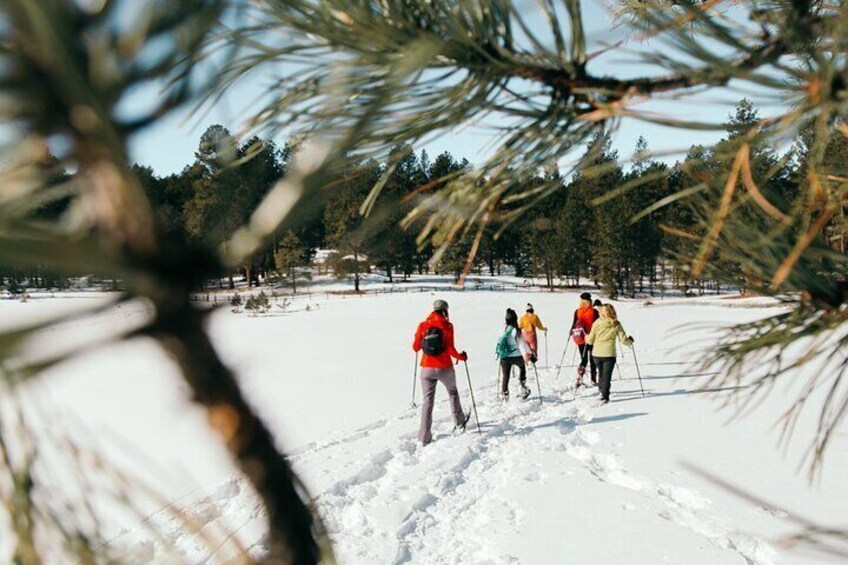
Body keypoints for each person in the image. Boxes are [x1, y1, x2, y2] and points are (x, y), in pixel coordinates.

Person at [412, 299, 470, 445]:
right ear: (445, 310)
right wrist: (461, 357)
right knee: (452, 392)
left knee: (427, 401)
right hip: (444, 367)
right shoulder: (448, 326)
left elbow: (415, 347)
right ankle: (459, 421)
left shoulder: (423, 325)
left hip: (426, 369)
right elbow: (450, 348)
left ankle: (424, 437)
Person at [586, 304, 633, 405]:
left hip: (597, 354)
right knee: (607, 376)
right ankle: (605, 396)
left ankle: (601, 390)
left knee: (601, 373)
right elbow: (623, 340)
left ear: (602, 312)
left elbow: (590, 340)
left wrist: (586, 337)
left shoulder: (597, 323)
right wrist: (630, 341)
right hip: (609, 354)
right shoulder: (616, 324)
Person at [496, 308, 532, 401]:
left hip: (504, 357)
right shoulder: (517, 330)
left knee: (505, 377)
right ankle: (522, 386)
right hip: (516, 356)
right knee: (522, 367)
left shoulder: (502, 329)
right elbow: (523, 343)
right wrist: (530, 352)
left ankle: (505, 395)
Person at [570, 292, 600, 388]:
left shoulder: (577, 311)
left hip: (581, 338)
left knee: (584, 359)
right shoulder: (594, 312)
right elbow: (598, 324)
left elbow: (574, 324)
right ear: (590, 301)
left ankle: (580, 376)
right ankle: (593, 379)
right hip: (592, 337)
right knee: (592, 359)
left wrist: (571, 331)